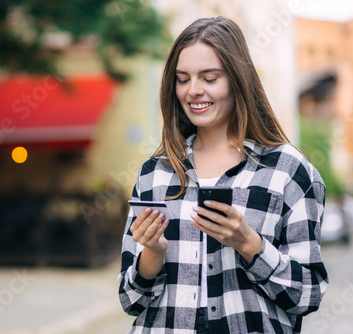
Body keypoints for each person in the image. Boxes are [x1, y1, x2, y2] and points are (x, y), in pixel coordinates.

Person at [118, 17, 328, 334]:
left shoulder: (287, 171)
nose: (193, 91)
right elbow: (130, 300)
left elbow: (307, 296)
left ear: (237, 80)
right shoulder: (156, 173)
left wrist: (249, 244)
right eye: (183, 78)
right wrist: (153, 253)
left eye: (209, 78)